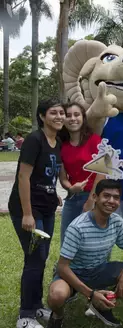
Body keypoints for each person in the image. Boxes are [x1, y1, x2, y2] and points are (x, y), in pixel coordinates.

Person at [46, 179, 123, 328]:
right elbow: (62, 267)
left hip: (99, 270)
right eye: (106, 196)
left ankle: (103, 305)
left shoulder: (116, 221)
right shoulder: (78, 227)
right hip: (73, 274)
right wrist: (90, 294)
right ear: (95, 197)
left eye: (116, 197)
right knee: (57, 296)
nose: (111, 201)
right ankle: (57, 316)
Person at [8, 98, 65, 328]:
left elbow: (49, 175)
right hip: (29, 209)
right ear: (42, 116)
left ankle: (37, 305)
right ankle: (25, 315)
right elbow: (23, 177)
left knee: (40, 258)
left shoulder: (57, 141)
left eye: (61, 112)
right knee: (34, 259)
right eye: (54, 112)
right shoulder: (34, 140)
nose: (59, 116)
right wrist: (27, 213)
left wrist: (55, 192)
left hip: (47, 207)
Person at [59, 102, 104, 245]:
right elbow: (62, 177)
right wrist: (70, 188)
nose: (72, 118)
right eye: (68, 115)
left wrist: (91, 201)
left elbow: (102, 173)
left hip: (94, 197)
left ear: (83, 118)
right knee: (67, 240)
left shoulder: (95, 140)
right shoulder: (61, 144)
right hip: (72, 198)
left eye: (76, 114)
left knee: (92, 242)